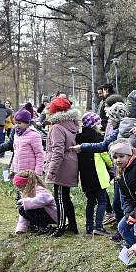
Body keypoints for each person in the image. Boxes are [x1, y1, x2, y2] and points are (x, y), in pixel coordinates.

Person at [44, 96, 80, 236]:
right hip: (70, 163)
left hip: (61, 167)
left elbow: (57, 151)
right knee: (65, 197)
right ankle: (72, 225)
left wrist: (51, 171)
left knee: (59, 197)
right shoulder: (71, 124)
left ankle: (60, 227)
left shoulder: (57, 128)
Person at [77, 112, 111, 235]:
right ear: (93, 125)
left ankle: (89, 226)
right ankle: (98, 226)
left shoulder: (78, 138)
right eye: (98, 123)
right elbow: (105, 155)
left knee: (90, 200)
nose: (100, 125)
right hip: (98, 174)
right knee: (102, 200)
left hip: (85, 175)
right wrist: (112, 166)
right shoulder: (98, 138)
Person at [8, 108, 45, 178]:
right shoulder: (17, 134)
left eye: (19, 123)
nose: (17, 125)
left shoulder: (34, 135)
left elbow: (39, 154)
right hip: (18, 171)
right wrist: (12, 169)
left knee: (30, 189)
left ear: (27, 123)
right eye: (16, 123)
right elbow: (15, 154)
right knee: (20, 188)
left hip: (29, 173)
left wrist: (38, 172)